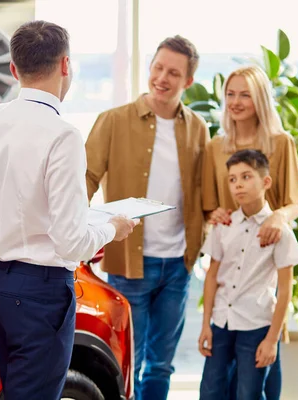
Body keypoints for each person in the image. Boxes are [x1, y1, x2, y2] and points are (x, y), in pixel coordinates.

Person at [0, 20, 138, 400]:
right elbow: (70, 241)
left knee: (16, 389)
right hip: (41, 291)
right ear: (66, 65)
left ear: (13, 70)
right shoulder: (62, 134)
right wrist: (112, 228)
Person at [85, 35, 209, 400]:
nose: (162, 78)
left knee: (161, 365)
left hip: (178, 265)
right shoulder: (113, 121)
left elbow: (205, 191)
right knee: (128, 360)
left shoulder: (198, 129)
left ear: (188, 81)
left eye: (173, 72)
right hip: (129, 263)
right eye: (158, 67)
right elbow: (85, 181)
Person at [201, 64, 298, 399]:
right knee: (222, 374)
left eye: (244, 94)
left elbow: (295, 201)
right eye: (230, 94)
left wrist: (278, 218)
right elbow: (209, 204)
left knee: (261, 363)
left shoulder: (280, 142)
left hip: (268, 251)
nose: (235, 101)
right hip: (231, 251)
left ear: (260, 98)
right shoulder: (215, 146)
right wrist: (213, 213)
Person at [198, 149, 298, 399]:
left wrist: (271, 340)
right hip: (221, 322)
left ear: (265, 182)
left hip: (256, 326)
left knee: (249, 393)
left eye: (246, 177)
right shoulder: (224, 227)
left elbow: (286, 290)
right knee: (211, 390)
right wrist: (206, 326)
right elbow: (211, 277)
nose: (238, 185)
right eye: (232, 179)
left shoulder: (281, 232)